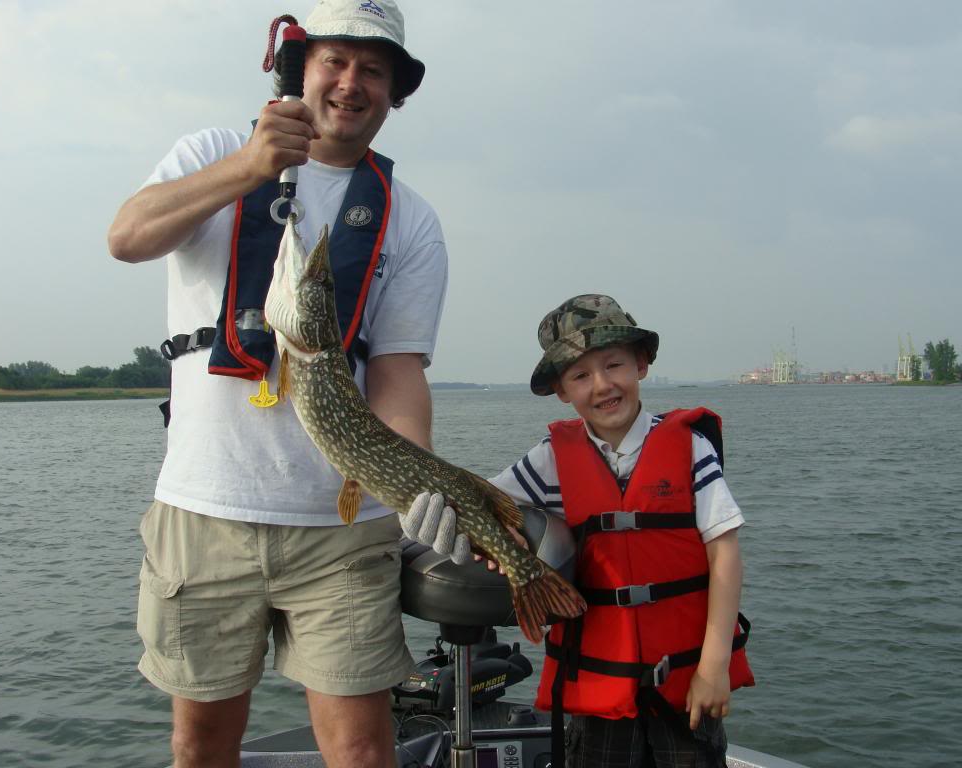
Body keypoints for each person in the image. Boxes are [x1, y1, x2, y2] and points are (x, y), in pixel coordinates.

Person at [107, 2, 446, 766]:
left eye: (373, 71)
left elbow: (396, 371)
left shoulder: (412, 221)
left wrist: (418, 482)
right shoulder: (213, 151)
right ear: (301, 68)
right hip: (205, 510)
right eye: (336, 61)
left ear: (393, 93)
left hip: (342, 531)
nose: (351, 83)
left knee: (362, 750)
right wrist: (247, 170)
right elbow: (126, 237)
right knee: (200, 745)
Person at [403, 294, 754, 768]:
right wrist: (432, 519)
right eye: (581, 375)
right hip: (598, 692)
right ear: (562, 391)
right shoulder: (548, 461)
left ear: (642, 364)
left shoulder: (691, 448)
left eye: (614, 365)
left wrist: (714, 665)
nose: (603, 385)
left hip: (688, 685)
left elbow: (725, 553)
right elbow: (478, 501)